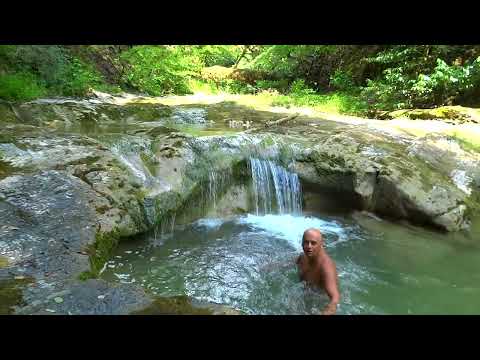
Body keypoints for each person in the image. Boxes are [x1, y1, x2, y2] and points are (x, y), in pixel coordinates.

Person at [296, 228, 340, 315]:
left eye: (313, 243)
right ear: (302, 243)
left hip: (319, 301)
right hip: (305, 293)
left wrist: (328, 310)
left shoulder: (326, 267)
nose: (309, 246)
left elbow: (335, 298)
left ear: (321, 245)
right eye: (306, 242)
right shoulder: (302, 257)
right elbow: (287, 263)